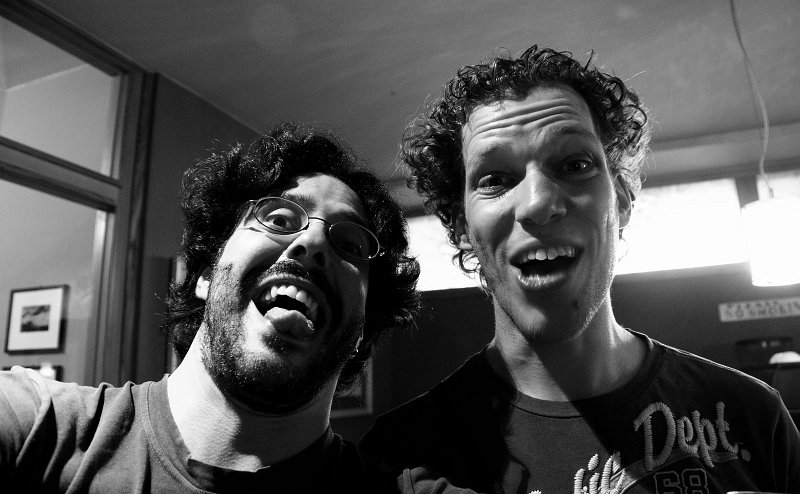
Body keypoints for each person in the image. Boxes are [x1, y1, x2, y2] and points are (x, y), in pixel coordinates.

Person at [359, 46, 800, 493]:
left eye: (575, 165)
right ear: (461, 227)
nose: (538, 204)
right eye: (494, 179)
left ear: (621, 201)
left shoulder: (753, 416)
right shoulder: (398, 460)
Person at [0, 122, 423, 492]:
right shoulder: (40, 426)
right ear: (205, 273)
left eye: (349, 245)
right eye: (278, 219)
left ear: (363, 328)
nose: (312, 242)